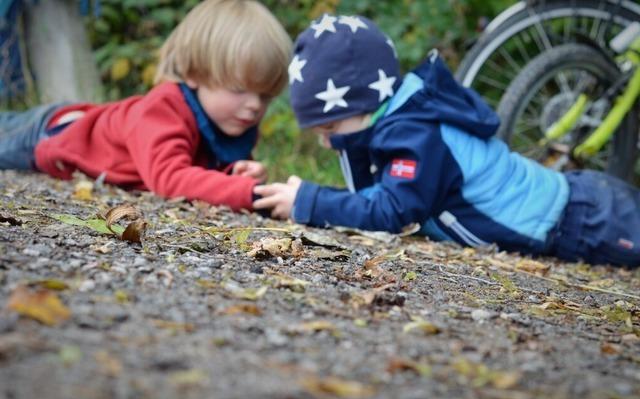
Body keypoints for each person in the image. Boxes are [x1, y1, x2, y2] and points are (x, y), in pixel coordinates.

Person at [253, 14, 640, 267]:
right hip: (576, 205)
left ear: (368, 105)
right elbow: (379, 196)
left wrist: (310, 201)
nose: (326, 144)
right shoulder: (401, 121)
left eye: (331, 131)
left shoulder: (416, 136)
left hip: (584, 221)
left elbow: (391, 211)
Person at [0, 0, 291, 212]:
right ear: (193, 74)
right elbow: (170, 177)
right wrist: (248, 193)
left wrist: (239, 174)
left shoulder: (232, 119)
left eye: (265, 95)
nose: (254, 106)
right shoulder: (164, 108)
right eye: (239, 89)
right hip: (53, 134)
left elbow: (206, 172)